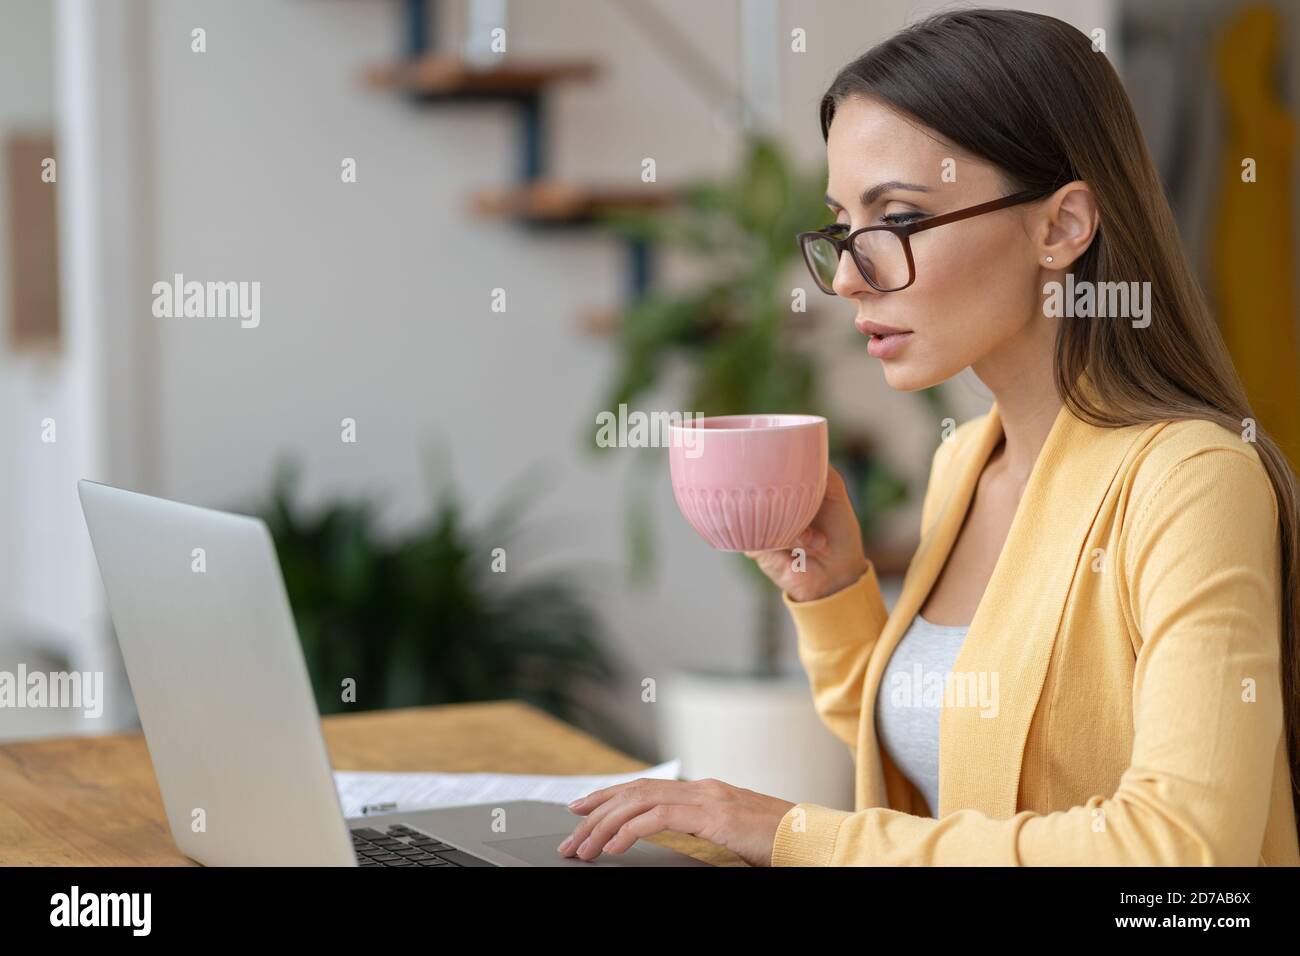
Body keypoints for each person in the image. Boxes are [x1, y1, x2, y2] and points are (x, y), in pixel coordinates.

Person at [557, 8, 1300, 866]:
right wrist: (832, 594)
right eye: (842, 225)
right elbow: (960, 762)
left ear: (1061, 227)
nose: (847, 276)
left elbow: (1184, 849)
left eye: (899, 220)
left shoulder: (1192, 480)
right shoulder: (964, 460)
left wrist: (788, 832)